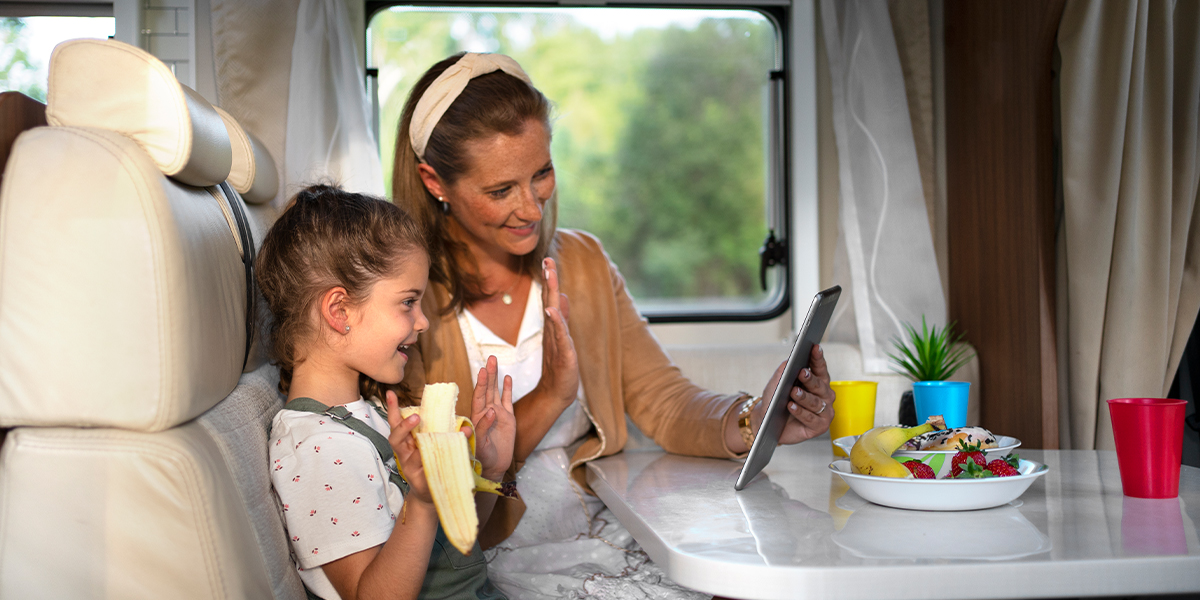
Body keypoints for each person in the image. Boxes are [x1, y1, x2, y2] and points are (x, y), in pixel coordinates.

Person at [391, 53, 836, 599]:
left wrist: (753, 419)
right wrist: (551, 396)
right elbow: (442, 486)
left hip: (597, 525)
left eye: (542, 174)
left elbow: (664, 400)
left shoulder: (583, 263)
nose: (531, 207)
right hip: (487, 549)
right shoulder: (406, 302)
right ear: (435, 181)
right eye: (501, 190)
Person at [258, 184, 517, 600]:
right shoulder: (320, 449)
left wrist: (491, 469)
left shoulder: (372, 412)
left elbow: (458, 548)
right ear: (340, 311)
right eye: (408, 302)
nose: (422, 322)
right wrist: (422, 504)